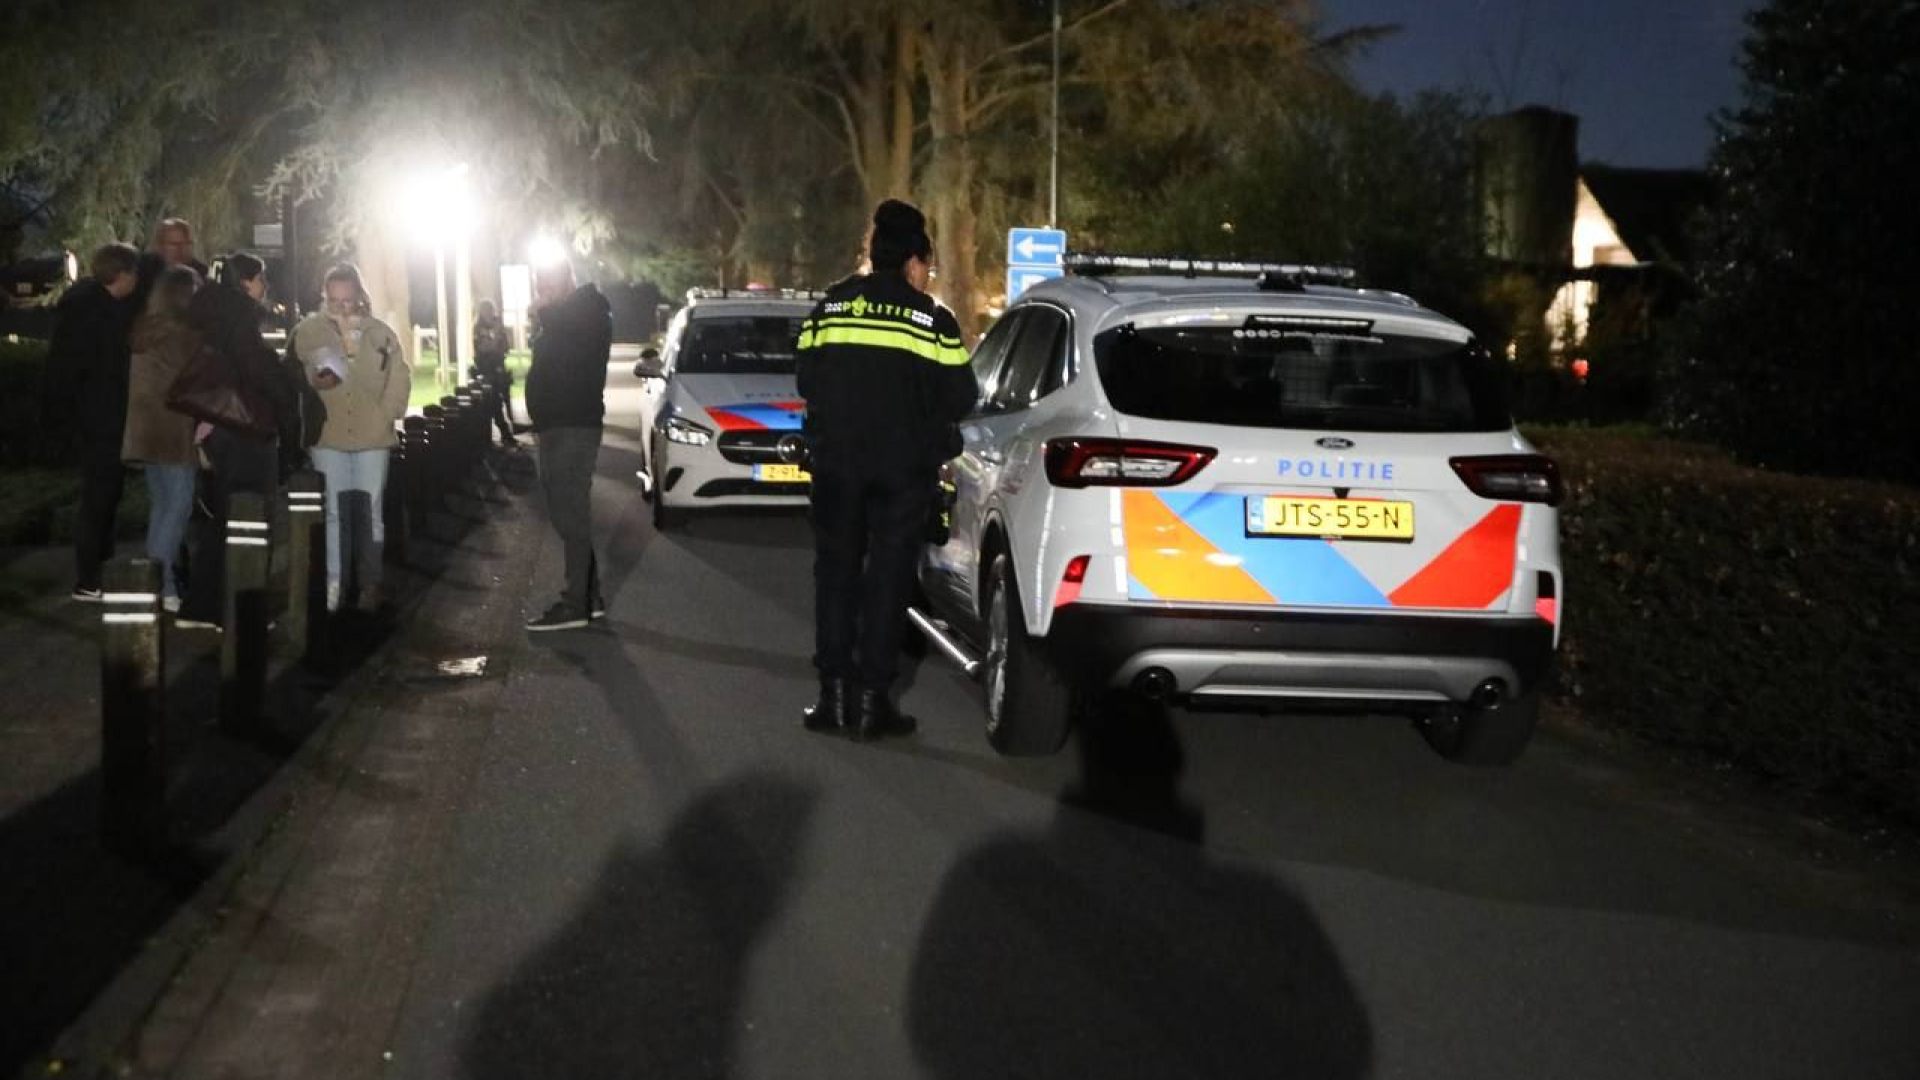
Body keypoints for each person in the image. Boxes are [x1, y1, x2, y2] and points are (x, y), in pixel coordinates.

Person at [795, 199, 975, 739]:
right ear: (915, 261)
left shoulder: (831, 307)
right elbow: (961, 396)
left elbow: (806, 379)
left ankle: (832, 698)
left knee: (836, 577)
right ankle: (874, 703)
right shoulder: (933, 321)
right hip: (902, 473)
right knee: (888, 583)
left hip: (837, 466)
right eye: (928, 267)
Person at [175, 253, 290, 630]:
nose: (265, 286)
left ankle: (202, 606)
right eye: (261, 279)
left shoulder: (205, 308)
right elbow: (253, 367)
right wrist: (284, 387)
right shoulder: (238, 313)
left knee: (224, 516)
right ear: (247, 281)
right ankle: (239, 608)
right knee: (250, 516)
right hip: (242, 425)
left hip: (213, 424)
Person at [292, 263, 410, 613]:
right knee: (334, 511)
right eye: (334, 301)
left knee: (370, 511)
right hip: (330, 435)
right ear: (324, 298)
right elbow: (318, 377)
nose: (342, 309)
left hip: (373, 435)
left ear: (360, 297)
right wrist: (342, 349)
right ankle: (335, 582)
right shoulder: (310, 331)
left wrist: (386, 414)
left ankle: (370, 583)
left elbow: (399, 378)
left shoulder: (381, 334)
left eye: (348, 301)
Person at [522, 259, 612, 631]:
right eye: (539, 288)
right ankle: (588, 595)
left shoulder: (587, 313)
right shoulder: (566, 318)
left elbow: (570, 353)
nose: (541, 295)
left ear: (565, 284)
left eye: (547, 287)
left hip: (573, 427)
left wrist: (545, 314)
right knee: (566, 511)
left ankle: (576, 602)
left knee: (569, 513)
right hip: (558, 427)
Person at [48, 242, 140, 601]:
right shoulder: (98, 314)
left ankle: (97, 570)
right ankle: (89, 577)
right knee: (100, 496)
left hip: (94, 417)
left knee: (103, 495)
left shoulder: (83, 305)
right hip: (101, 418)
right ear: (122, 275)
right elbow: (98, 370)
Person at [121, 264, 203, 611]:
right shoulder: (184, 336)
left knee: (162, 506)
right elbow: (199, 380)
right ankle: (161, 584)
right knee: (178, 507)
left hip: (145, 429)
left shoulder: (145, 329)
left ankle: (156, 580)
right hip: (174, 431)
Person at [473, 299, 517, 447]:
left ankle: (508, 427)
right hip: (486, 370)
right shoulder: (479, 328)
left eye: (491, 310)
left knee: (504, 399)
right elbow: (482, 348)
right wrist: (494, 341)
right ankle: (503, 432)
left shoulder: (498, 325)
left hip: (499, 367)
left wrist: (498, 341)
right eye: (487, 311)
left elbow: (505, 346)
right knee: (493, 402)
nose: (490, 314)